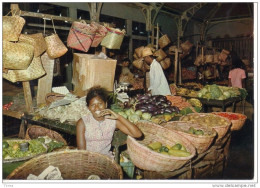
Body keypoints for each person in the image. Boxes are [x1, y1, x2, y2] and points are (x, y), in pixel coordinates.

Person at [76, 86, 142, 158]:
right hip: (88, 159)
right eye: (92, 105)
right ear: (88, 107)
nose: (97, 108)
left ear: (106, 104)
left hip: (106, 160)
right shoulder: (83, 122)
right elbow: (82, 153)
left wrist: (119, 117)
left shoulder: (112, 121)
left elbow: (137, 134)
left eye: (100, 104)